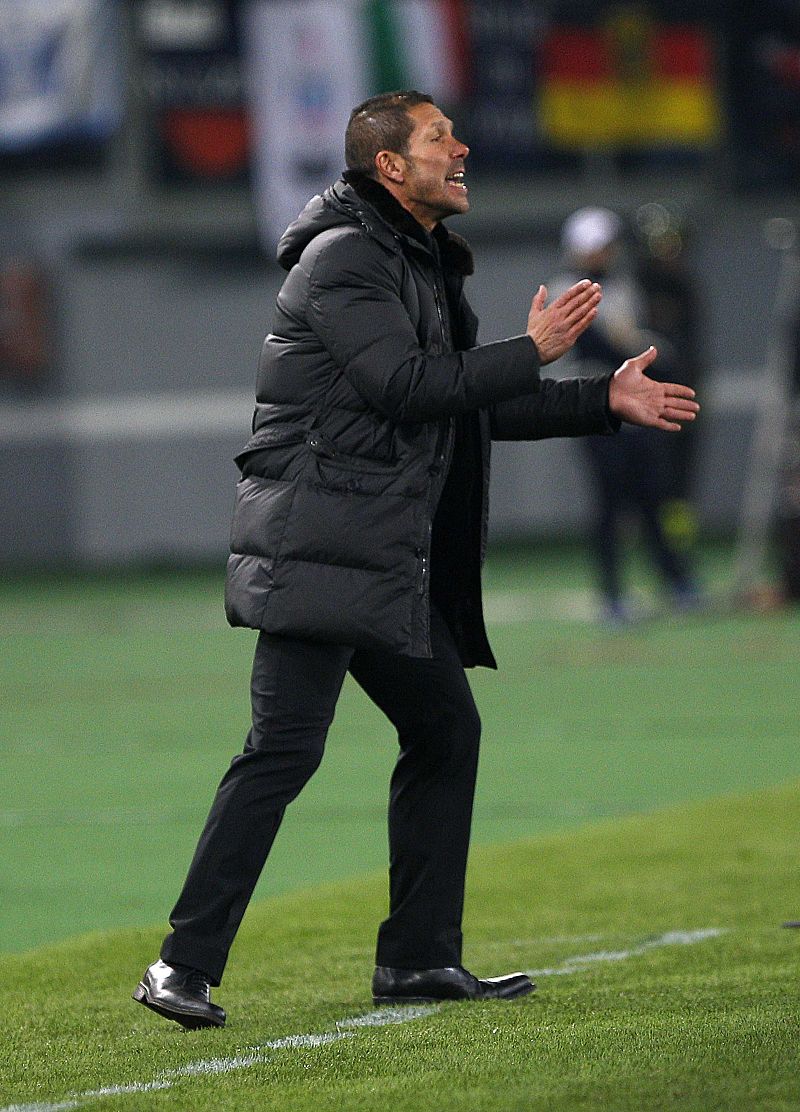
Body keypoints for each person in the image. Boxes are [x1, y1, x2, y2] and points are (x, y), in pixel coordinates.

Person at [133, 91, 698, 1030]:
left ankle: (419, 960)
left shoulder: (417, 258)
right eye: (441, 137)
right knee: (283, 750)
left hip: (376, 557)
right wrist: (533, 349)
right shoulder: (345, 258)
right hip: (319, 548)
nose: (462, 148)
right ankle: (178, 966)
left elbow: (464, 404)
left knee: (443, 729)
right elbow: (406, 386)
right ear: (390, 166)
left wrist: (600, 397)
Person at [554, 206, 701, 624]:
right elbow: (601, 345)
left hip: (629, 405)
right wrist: (644, 351)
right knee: (610, 502)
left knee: (651, 495)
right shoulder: (566, 289)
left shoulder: (622, 286)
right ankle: (613, 595)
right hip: (591, 404)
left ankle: (676, 581)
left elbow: (632, 342)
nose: (604, 252)